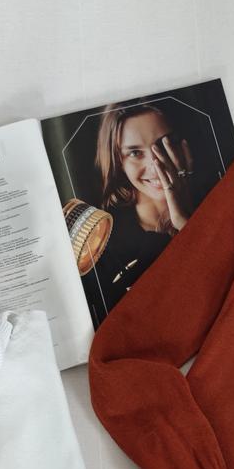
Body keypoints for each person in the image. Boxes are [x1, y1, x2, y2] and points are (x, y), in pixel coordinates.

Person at [84, 101, 196, 326]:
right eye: (135, 153)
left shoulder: (220, 199)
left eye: (164, 144)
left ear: (184, 145)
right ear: (118, 162)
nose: (155, 166)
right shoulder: (104, 245)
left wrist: (188, 224)